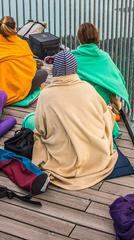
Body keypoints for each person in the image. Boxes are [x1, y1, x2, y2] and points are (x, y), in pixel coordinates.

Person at [32, 51, 117, 190]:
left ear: (55, 69)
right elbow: (104, 115)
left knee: (29, 122)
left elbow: (40, 128)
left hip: (63, 160)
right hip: (95, 158)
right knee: (106, 114)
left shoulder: (46, 95)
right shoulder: (88, 88)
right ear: (75, 68)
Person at [71, 22, 129, 138]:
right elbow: (118, 79)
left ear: (79, 38)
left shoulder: (71, 57)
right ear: (97, 37)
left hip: (78, 101)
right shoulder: (104, 57)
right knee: (104, 91)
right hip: (99, 102)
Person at [0, 16, 47, 105]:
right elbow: (31, 69)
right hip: (17, 91)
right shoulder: (22, 44)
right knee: (43, 73)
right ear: (14, 28)